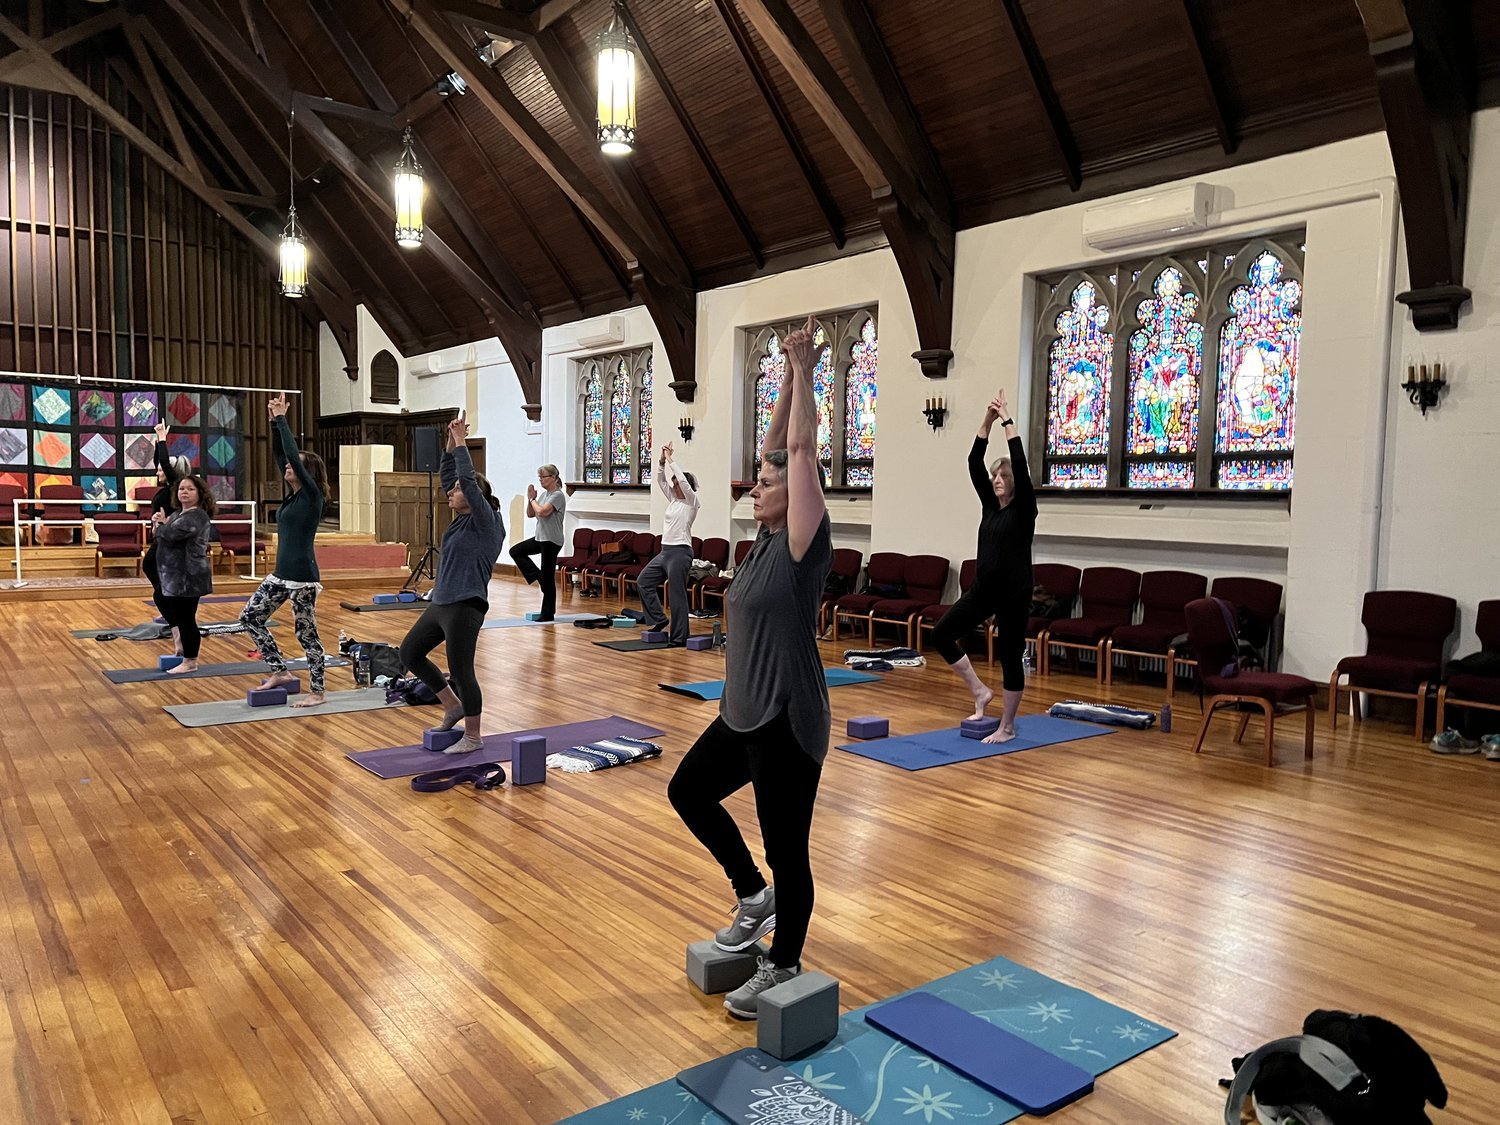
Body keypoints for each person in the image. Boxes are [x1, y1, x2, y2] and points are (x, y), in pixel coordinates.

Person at [667, 314, 832, 1020]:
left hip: (787, 717)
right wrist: (783, 377)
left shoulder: (801, 543)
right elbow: (776, 444)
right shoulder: (760, 541)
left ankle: (784, 960)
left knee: (787, 848)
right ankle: (751, 895)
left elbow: (798, 448)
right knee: (689, 791)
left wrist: (805, 372)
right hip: (741, 711)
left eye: (767, 482)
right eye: (757, 480)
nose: (755, 485)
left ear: (796, 492)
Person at [929, 388, 1038, 743]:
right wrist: (987, 421)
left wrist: (1007, 421)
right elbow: (974, 463)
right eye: (995, 477)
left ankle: (1007, 726)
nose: (996, 480)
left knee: (1010, 655)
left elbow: (1020, 463)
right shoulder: (990, 507)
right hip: (983, 590)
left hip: (1014, 594)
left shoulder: (1024, 510)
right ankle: (979, 691)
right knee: (941, 634)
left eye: (1003, 477)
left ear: (1013, 482)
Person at [399, 410, 505, 756]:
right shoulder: (461, 519)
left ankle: (473, 736)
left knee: (461, 671)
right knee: (410, 653)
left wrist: (462, 443)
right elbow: (450, 474)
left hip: (465, 605)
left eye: (458, 490)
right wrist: (449, 441)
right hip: (441, 602)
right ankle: (452, 705)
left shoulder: (486, 522)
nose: (451, 491)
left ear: (475, 496)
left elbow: (467, 482)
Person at [239, 392, 329, 708]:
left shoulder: (312, 497)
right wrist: (273, 424)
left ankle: (317, 691)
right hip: (280, 576)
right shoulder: (292, 497)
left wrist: (282, 420)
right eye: (289, 465)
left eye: (295, 465)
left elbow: (289, 452)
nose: (287, 466)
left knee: (306, 635)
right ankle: (280, 672)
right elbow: (282, 454)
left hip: (302, 579)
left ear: (308, 473)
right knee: (250, 617)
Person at [152, 475, 216, 674]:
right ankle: (180, 642)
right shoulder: (178, 514)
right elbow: (161, 536)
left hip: (189, 575)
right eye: (181, 489)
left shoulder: (197, 516)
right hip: (174, 575)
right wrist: (158, 525)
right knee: (161, 598)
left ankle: (190, 661)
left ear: (200, 493)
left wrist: (161, 526)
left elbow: (170, 535)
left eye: (190, 489)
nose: (184, 492)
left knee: (187, 618)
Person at [639, 441, 700, 645]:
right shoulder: (674, 501)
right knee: (643, 581)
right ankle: (658, 619)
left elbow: (682, 480)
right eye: (673, 484)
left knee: (676, 595)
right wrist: (661, 461)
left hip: (681, 552)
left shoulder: (691, 502)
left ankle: (679, 637)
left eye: (677, 484)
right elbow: (659, 480)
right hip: (665, 551)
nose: (674, 487)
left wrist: (671, 459)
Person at [141, 419, 192, 655]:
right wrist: (156, 441)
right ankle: (173, 621)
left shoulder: (177, 487)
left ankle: (178, 630)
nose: (157, 471)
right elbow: (158, 462)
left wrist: (162, 439)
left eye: (161, 470)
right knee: (152, 573)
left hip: (169, 544)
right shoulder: (166, 489)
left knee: (162, 593)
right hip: (159, 540)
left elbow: (163, 462)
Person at [510, 464, 565, 620]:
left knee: (548, 578)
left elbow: (542, 512)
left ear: (554, 478)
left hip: (552, 540)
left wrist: (532, 499)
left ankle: (548, 613)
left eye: (543, 477)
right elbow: (530, 513)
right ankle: (538, 576)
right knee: (516, 551)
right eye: (539, 477)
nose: (540, 480)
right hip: (540, 537)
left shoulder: (557, 495)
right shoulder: (544, 495)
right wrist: (531, 500)